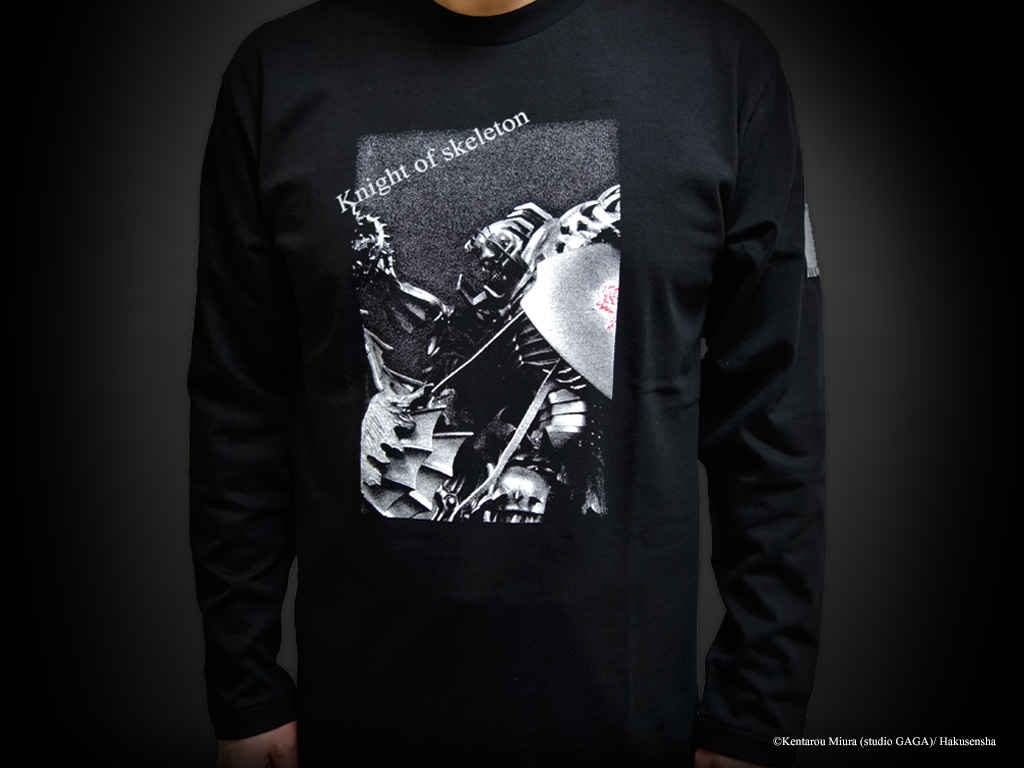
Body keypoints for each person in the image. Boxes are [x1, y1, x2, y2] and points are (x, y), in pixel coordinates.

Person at [188, 0, 826, 766]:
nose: (487, 259)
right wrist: (246, 689)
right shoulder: (279, 74)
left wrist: (755, 713)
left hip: (625, 721)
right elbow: (238, 408)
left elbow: (771, 416)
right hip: (360, 717)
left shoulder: (720, 65)